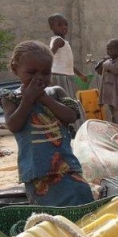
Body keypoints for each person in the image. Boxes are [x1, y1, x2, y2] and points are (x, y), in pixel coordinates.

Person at [1, 41, 93, 206]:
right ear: (15, 69)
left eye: (45, 73)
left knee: (81, 197)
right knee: (48, 212)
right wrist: (28, 99)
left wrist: (44, 98)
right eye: (31, 72)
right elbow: (14, 125)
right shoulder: (10, 98)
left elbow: (72, 116)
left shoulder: (56, 92)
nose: (39, 78)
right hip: (36, 172)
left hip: (67, 167)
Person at [47, 13, 86, 100]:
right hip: (60, 77)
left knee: (65, 101)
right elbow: (49, 55)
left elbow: (68, 64)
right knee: (66, 101)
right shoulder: (58, 41)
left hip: (63, 76)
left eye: (66, 24)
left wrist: (80, 75)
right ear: (51, 27)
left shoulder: (61, 41)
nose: (64, 27)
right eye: (59, 25)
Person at [95, 39, 118, 127]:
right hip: (110, 94)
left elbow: (115, 69)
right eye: (107, 49)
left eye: (111, 49)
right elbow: (99, 71)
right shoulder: (108, 61)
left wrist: (105, 62)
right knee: (112, 114)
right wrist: (100, 63)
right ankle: (115, 130)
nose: (109, 51)